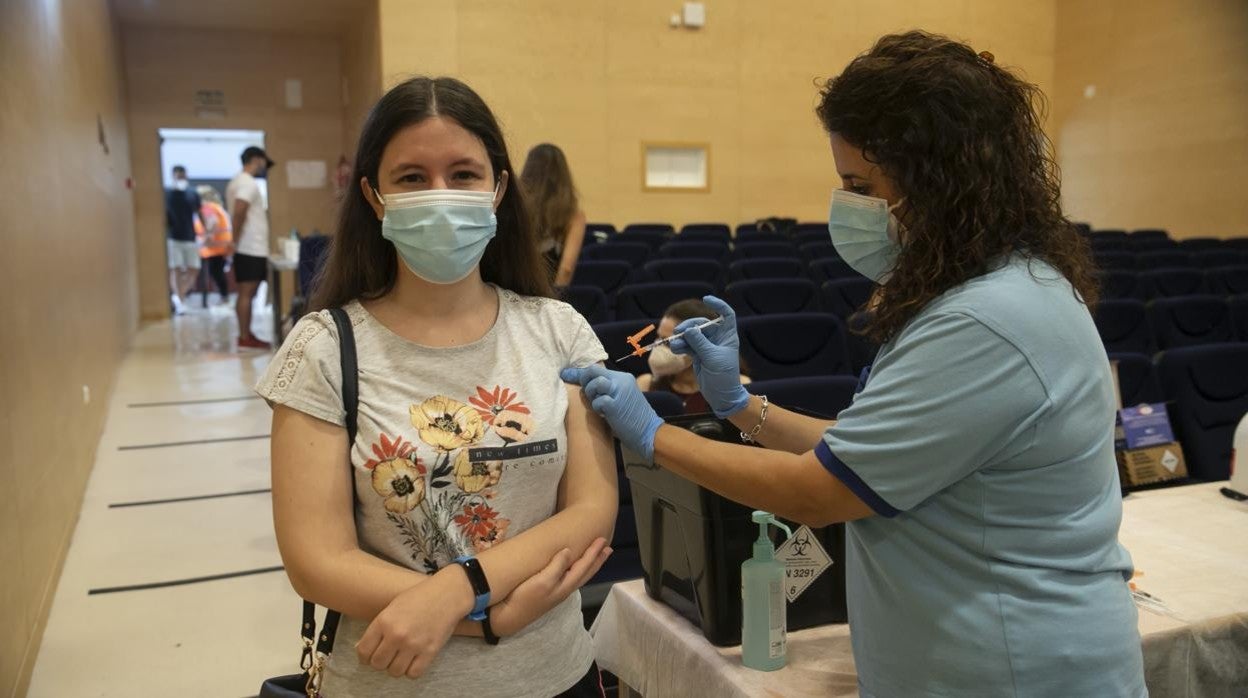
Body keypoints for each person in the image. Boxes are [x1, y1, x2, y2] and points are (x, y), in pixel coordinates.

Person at [564, 31, 1146, 697]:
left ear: (940, 183)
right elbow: (866, 452)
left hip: (1012, 672)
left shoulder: (985, 321)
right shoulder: (1002, 290)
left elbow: (819, 491)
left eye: (861, 185)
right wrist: (738, 407)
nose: (849, 205)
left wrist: (653, 434)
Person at [256, 76, 617, 697]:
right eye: (412, 178)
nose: (441, 195)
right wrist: (488, 620)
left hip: (558, 675)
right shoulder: (322, 348)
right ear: (374, 197)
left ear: (498, 188)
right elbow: (317, 562)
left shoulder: (560, 331)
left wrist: (459, 588)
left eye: (464, 174)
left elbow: (591, 513)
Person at [635, 298, 750, 414]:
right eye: (659, 339)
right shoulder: (645, 385)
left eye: (667, 342)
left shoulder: (739, 385)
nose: (658, 348)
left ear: (700, 343)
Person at [227, 146, 274, 349]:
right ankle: (244, 337)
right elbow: (240, 211)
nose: (264, 167)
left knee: (247, 293)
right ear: (257, 159)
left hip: (248, 247)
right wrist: (234, 241)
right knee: (247, 293)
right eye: (264, 162)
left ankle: (246, 334)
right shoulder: (247, 183)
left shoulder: (237, 181)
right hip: (250, 247)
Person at [519, 143, 586, 286]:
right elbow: (566, 270)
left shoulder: (516, 207)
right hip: (549, 291)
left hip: (514, 289)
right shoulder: (573, 215)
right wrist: (553, 297)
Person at [165, 165, 201, 314]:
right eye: (177, 175)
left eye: (182, 175)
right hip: (173, 237)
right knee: (176, 269)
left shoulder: (192, 193)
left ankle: (179, 294)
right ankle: (179, 301)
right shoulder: (167, 193)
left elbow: (199, 212)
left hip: (190, 237)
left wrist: (206, 229)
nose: (180, 178)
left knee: (194, 268)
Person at [194, 185, 232, 303]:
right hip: (220, 246)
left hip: (214, 247)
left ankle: (224, 297)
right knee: (218, 273)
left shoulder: (207, 207)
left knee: (216, 273)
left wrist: (207, 237)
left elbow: (213, 222)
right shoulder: (217, 207)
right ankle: (224, 296)